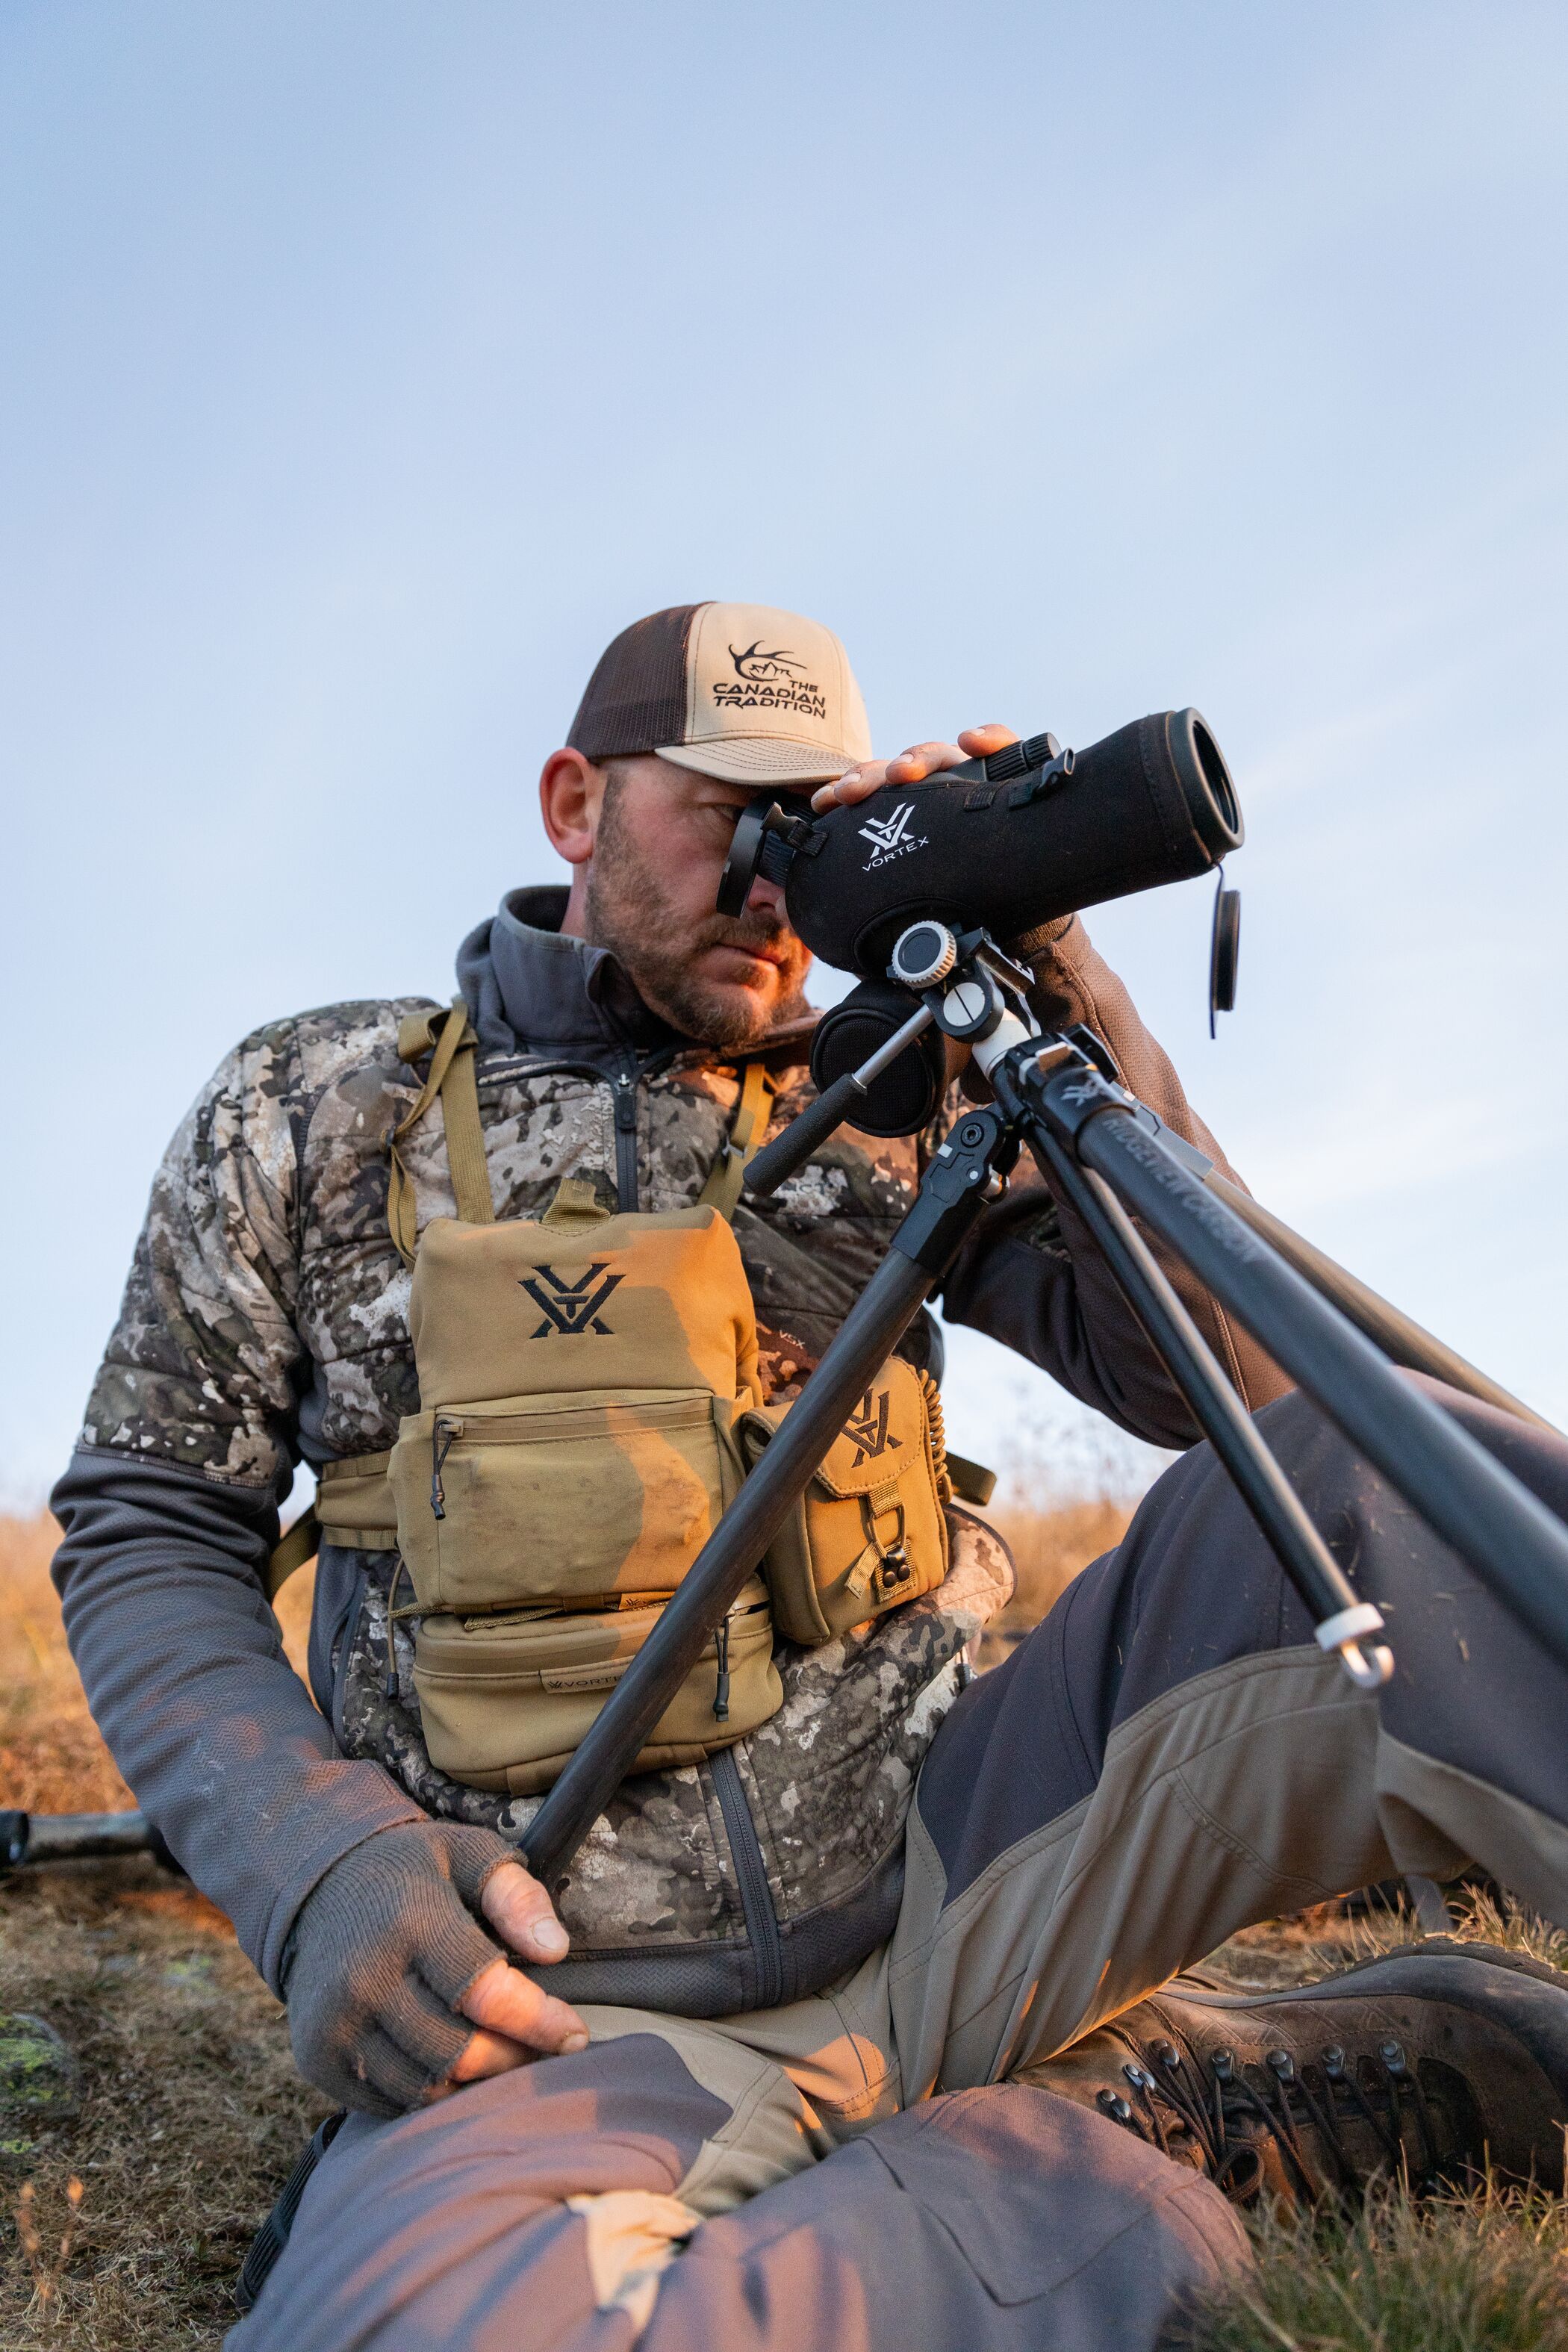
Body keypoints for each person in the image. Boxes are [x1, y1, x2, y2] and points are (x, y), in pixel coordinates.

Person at [50, 603, 1568, 2352]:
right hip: (573, 2016)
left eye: (810, 819)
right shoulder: (319, 1109)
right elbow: (154, 1522)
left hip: (971, 1870)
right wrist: (315, 1859)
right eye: (723, 813)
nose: (772, 882)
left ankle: (990, 2112)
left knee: (1402, 1486)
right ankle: (1124, 2142)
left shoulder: (895, 1087)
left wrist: (1047, 970)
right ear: (575, 805)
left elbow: (1218, 1378)